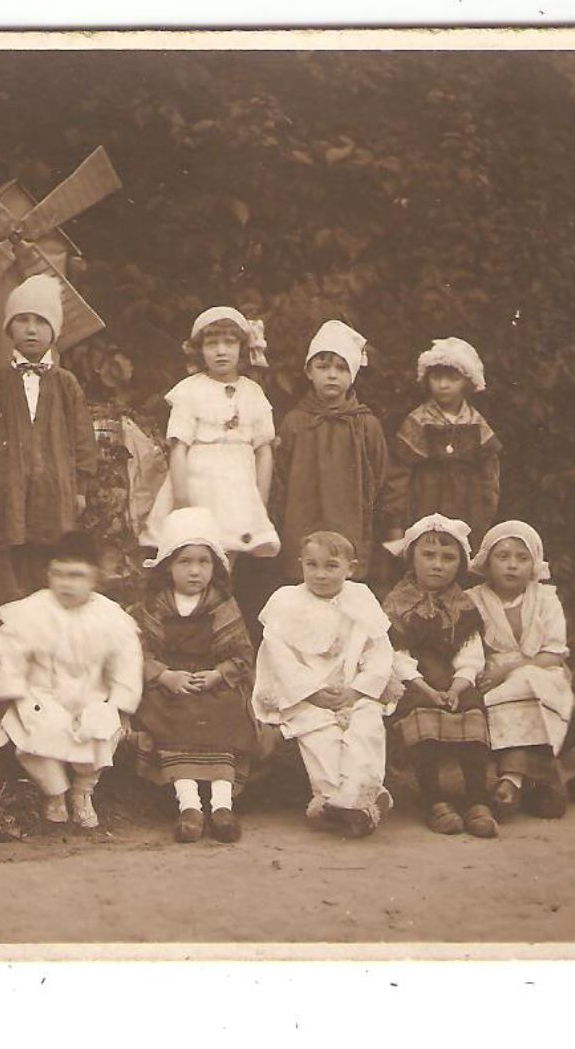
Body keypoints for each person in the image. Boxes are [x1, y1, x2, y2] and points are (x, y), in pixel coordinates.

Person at [0, 274, 98, 605]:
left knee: (49, 550)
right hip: (8, 486)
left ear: (54, 331)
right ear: (10, 329)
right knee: (10, 548)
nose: (32, 329)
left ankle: (49, 616)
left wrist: (81, 487)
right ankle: (12, 615)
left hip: (56, 487)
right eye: (23, 321)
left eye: (41, 321)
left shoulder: (67, 384)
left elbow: (82, 437)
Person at [0, 530, 142, 830]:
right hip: (42, 695)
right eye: (58, 574)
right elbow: (10, 655)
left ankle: (83, 792)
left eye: (76, 575)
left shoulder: (110, 617)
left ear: (94, 578)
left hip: (90, 695)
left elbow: (126, 664)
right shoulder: (33, 610)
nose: (66, 583)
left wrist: (121, 706)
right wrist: (14, 694)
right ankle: (54, 792)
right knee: (35, 729)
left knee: (101, 724)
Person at [252, 530, 398, 837]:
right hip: (308, 694)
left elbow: (378, 650)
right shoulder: (286, 601)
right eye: (312, 565)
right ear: (300, 564)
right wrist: (313, 693)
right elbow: (277, 655)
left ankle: (356, 797)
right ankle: (342, 800)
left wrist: (357, 690)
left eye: (331, 566)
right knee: (319, 735)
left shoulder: (360, 598)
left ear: (350, 568)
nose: (320, 574)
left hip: (354, 691)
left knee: (366, 726)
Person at [130, 507, 258, 844]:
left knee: (224, 713)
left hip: (213, 684)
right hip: (171, 685)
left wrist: (219, 675)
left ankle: (222, 806)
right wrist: (164, 676)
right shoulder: (156, 605)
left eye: (204, 562)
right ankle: (189, 807)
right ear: (168, 566)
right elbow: (138, 653)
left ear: (214, 567)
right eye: (185, 562)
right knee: (174, 718)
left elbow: (242, 654)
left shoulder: (221, 604)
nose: (194, 571)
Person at [381, 514, 497, 838]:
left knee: (473, 709)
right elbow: (396, 656)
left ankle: (476, 799)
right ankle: (434, 800)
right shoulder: (396, 602)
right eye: (428, 556)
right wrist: (427, 689)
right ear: (411, 558)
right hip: (414, 681)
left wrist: (459, 686)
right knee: (420, 714)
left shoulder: (464, 604)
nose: (437, 565)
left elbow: (470, 654)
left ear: (460, 563)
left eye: (448, 558)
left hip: (454, 680)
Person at [141, 307, 279, 562]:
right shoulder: (190, 391)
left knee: (229, 551)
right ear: (199, 350)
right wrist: (182, 497)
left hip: (238, 485)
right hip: (198, 483)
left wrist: (260, 498)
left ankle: (221, 600)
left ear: (242, 347)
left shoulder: (253, 393)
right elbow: (179, 446)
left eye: (229, 342)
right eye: (211, 343)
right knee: (195, 549)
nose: (221, 351)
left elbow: (264, 450)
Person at [465, 520, 575, 821]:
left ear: (534, 563)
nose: (512, 565)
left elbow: (553, 653)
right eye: (503, 557)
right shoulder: (473, 600)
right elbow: (470, 650)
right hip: (490, 677)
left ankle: (511, 780)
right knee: (506, 696)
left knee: (528, 683)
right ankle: (542, 783)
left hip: (542, 672)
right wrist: (493, 673)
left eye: (522, 558)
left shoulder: (545, 599)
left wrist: (512, 668)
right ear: (487, 561)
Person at [269, 319, 388, 582]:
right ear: (309, 371)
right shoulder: (295, 421)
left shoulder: (365, 424)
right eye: (323, 367)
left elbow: (378, 478)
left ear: (353, 374)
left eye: (341, 368)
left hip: (350, 521)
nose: (331, 375)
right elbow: (280, 476)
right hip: (302, 518)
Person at [382, 337, 501, 547]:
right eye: (436, 377)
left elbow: (489, 476)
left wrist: (485, 513)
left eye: (452, 379)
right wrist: (396, 525)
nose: (443, 385)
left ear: (467, 381)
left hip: (468, 510)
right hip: (424, 506)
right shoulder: (418, 422)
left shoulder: (476, 424)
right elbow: (398, 476)